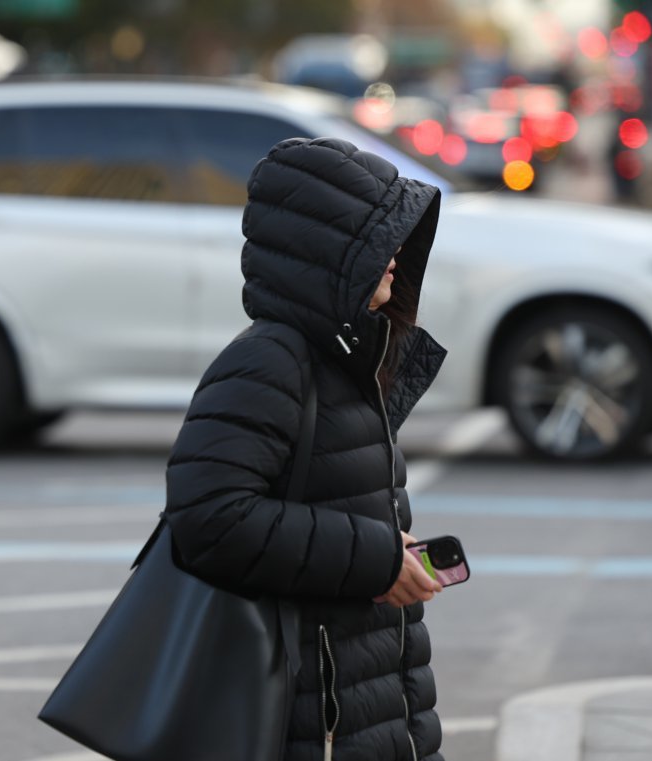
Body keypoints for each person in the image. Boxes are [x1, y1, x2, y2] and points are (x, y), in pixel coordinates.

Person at [164, 137, 448, 761]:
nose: (396, 256)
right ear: (329, 253)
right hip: (307, 721)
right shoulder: (271, 360)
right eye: (379, 238)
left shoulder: (346, 364)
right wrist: (377, 558)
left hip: (365, 707)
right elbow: (209, 516)